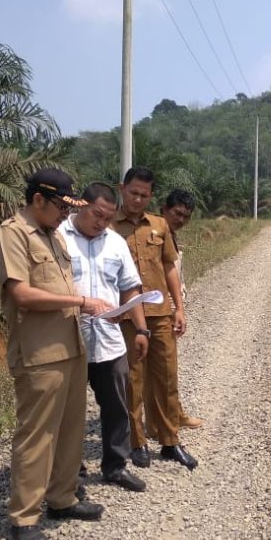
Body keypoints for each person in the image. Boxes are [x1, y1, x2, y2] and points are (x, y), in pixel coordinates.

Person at [0, 168, 110, 540]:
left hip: (71, 346)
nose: (64, 215)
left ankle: (62, 498)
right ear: (37, 199)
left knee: (71, 429)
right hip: (40, 353)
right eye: (60, 206)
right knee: (37, 434)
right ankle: (24, 516)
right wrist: (80, 301)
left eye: (68, 208)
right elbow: (22, 294)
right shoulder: (12, 234)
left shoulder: (54, 235)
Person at [59, 182, 149, 493]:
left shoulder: (115, 243)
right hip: (69, 340)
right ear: (80, 206)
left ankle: (115, 466)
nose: (102, 223)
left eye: (108, 218)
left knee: (116, 405)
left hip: (109, 340)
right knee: (68, 412)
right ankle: (71, 473)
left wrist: (141, 329)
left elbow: (130, 288)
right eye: (97, 215)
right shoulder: (58, 237)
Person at [113, 167, 197, 470]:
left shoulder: (159, 225)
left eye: (144, 195)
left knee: (167, 378)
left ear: (151, 197)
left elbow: (170, 267)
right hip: (126, 317)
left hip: (160, 315)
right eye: (133, 193)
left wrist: (179, 309)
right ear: (122, 189)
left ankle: (170, 440)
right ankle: (137, 442)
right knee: (133, 381)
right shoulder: (108, 227)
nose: (138, 199)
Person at [146, 188, 205, 433]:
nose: (180, 219)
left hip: (169, 311)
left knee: (164, 370)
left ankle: (166, 417)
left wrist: (179, 308)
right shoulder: (151, 236)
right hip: (153, 311)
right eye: (177, 213)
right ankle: (163, 420)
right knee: (160, 371)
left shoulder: (170, 236)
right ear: (164, 209)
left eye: (185, 216)